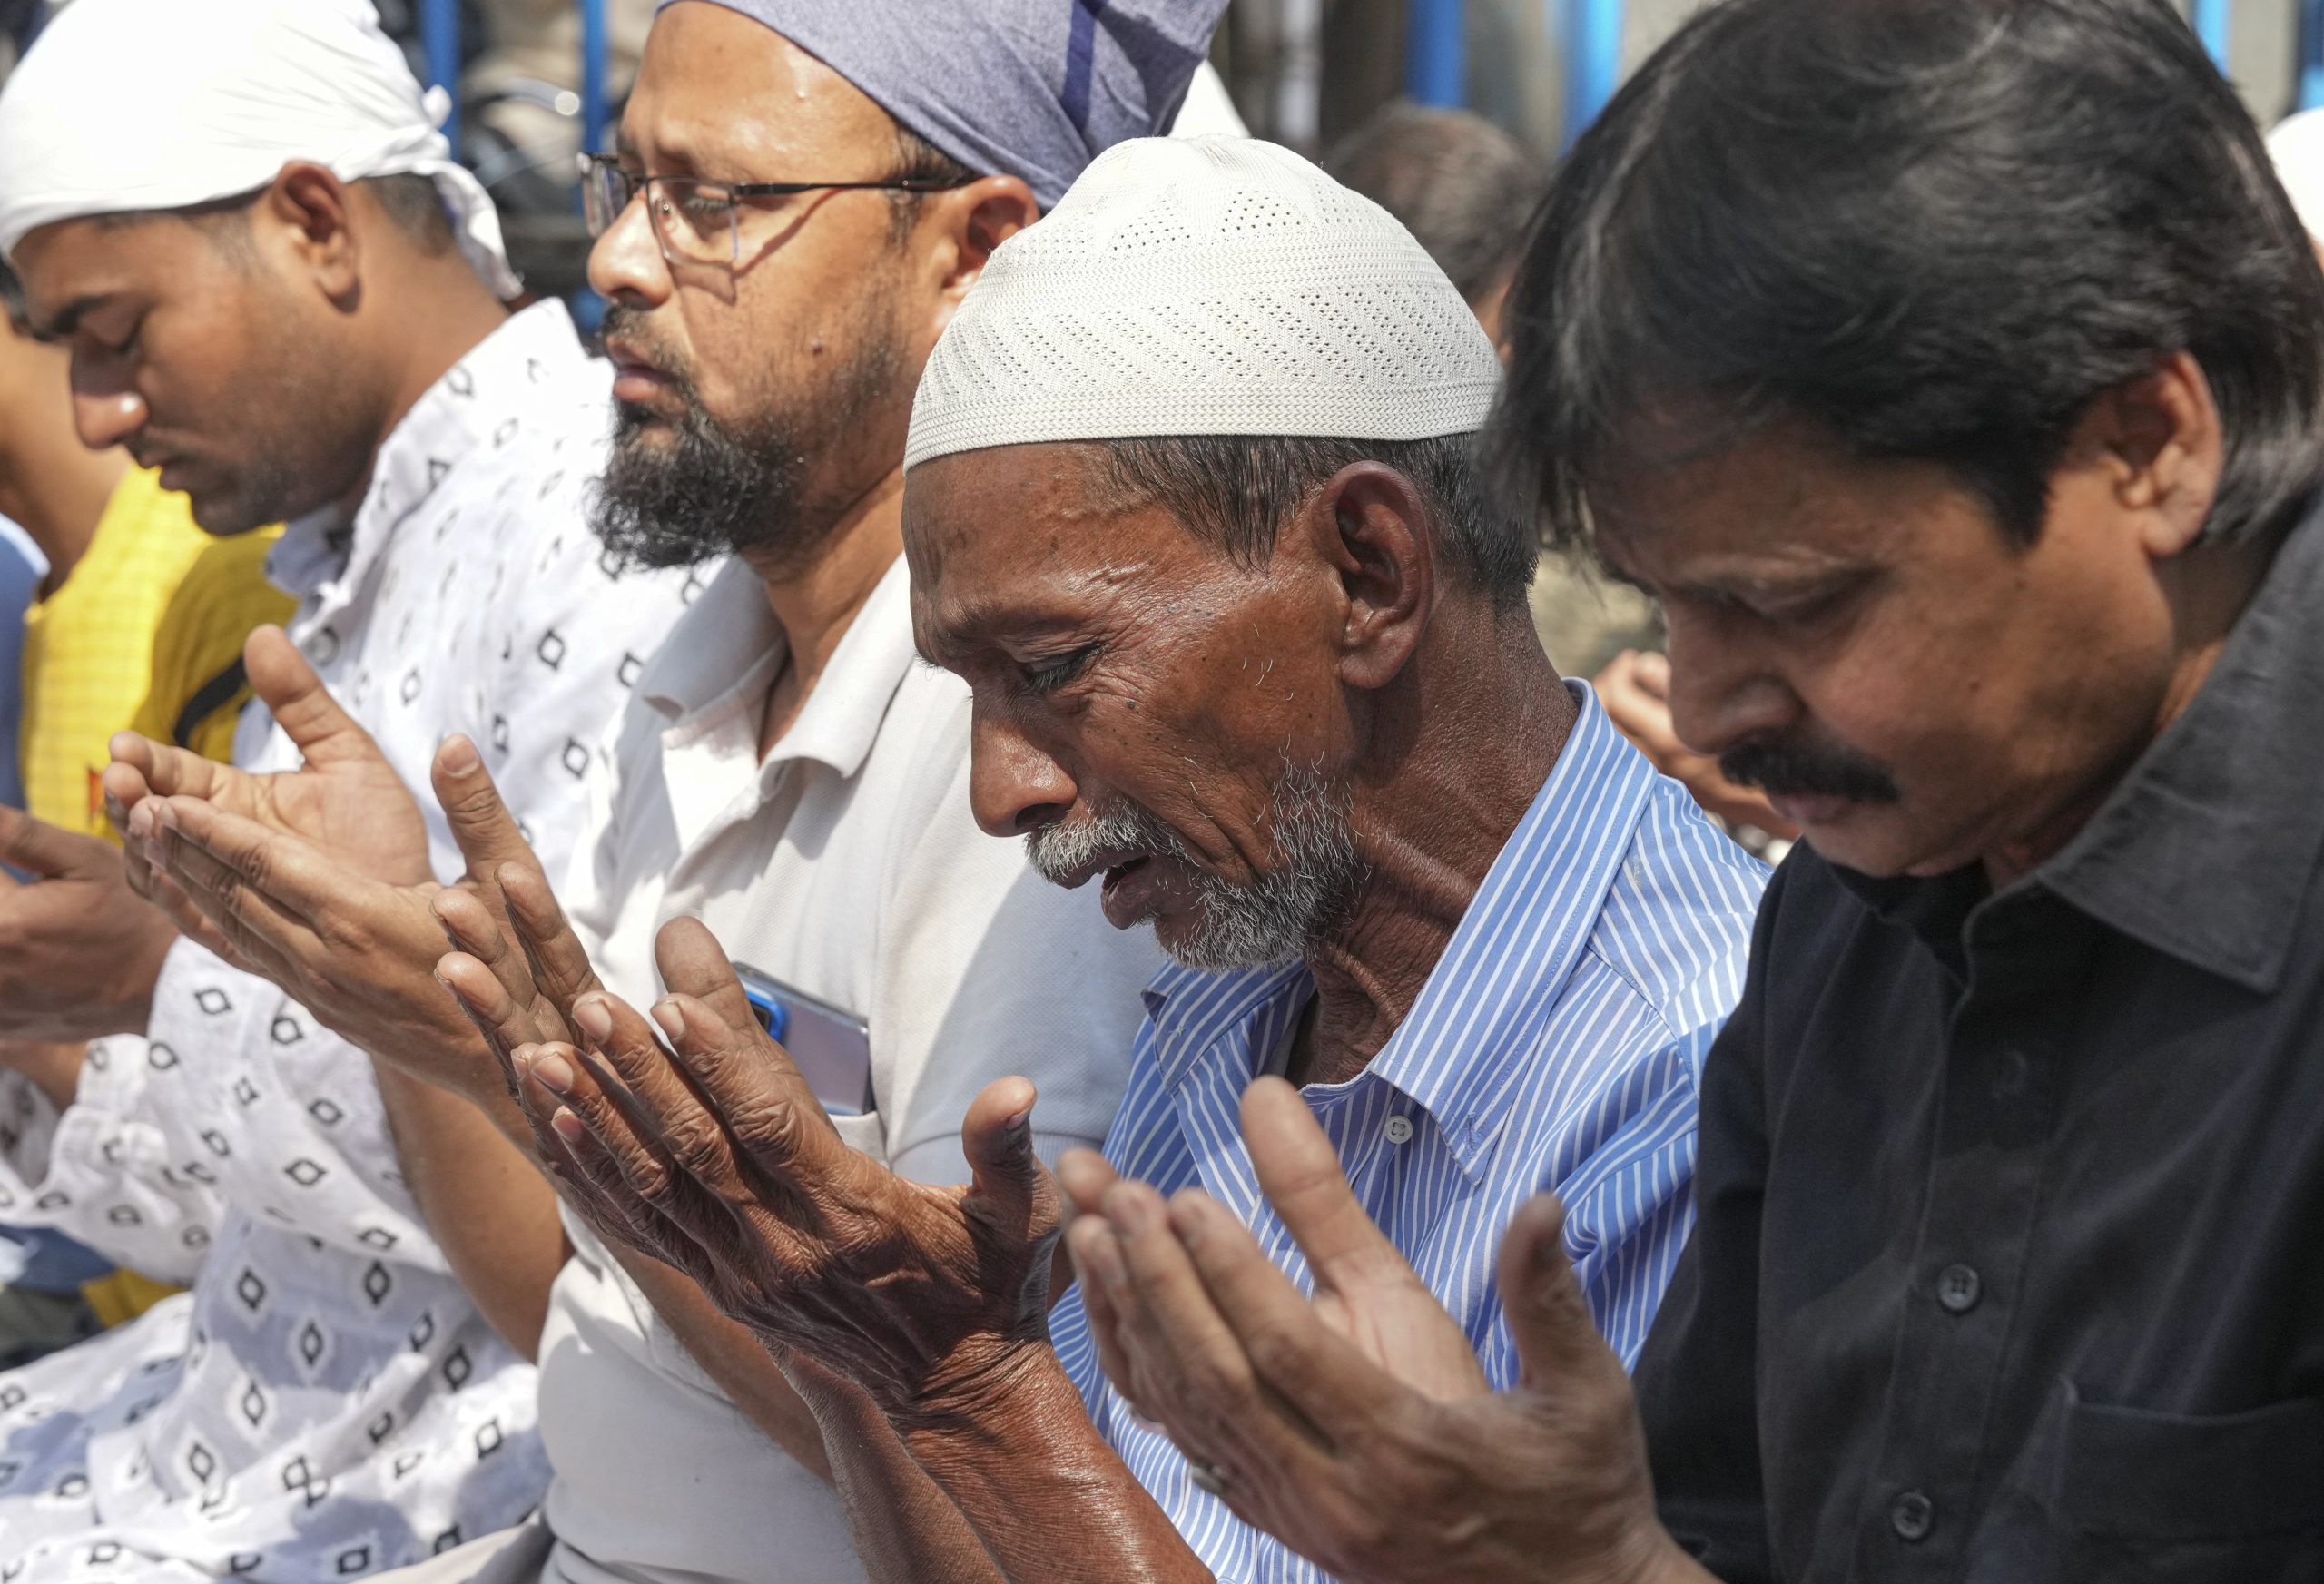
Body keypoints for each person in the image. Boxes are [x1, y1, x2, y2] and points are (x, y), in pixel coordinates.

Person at [1047, 1, 2324, 1580]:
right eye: (1666, 603)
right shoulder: (1844, 934)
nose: (1711, 715)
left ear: (2149, 444)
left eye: (1798, 603)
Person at [425, 134, 1764, 1583]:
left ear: (1368, 573)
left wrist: (961, 1394)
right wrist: (848, 1348)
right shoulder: (1233, 1005)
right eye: (970, 692)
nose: (1005, 790)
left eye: (1056, 666)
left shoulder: (1695, 1074)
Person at [107, 5, 1217, 1582]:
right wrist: (425, 1001)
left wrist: (511, 1061)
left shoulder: (1030, 772)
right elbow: (599, 1326)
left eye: (715, 202)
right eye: (620, 179)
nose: (620, 260)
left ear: (977, 249)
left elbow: (985, 1476)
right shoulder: (712, 669)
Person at [0, 0, 693, 1574]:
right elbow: (274, 1236)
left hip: (459, 1480)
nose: (97, 412)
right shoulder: (337, 565)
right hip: (213, 1438)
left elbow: (598, 1208)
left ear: (314, 221)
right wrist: (77, 1016)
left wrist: (150, 995)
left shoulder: (597, 542)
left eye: (118, 334)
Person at [0, 256, 295, 1343]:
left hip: (244, 1354)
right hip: (127, 1315)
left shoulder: (229, 575)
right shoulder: (50, 587)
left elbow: (322, 1085)